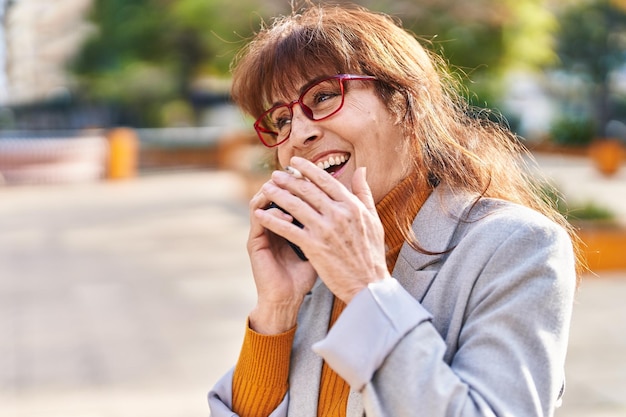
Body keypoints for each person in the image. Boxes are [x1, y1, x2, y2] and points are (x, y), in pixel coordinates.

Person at [209, 2, 582, 416]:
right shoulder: (314, 263)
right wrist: (276, 311)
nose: (298, 133)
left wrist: (366, 287)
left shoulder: (518, 246)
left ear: (405, 104)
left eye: (324, 95)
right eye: (280, 120)